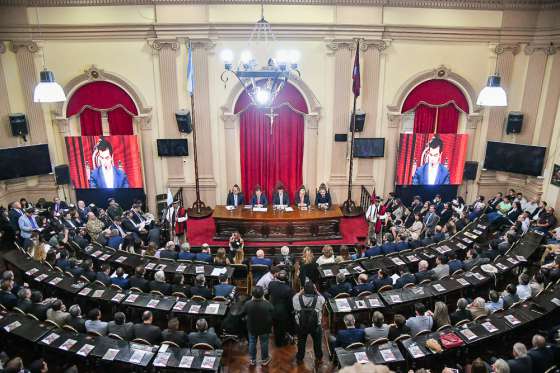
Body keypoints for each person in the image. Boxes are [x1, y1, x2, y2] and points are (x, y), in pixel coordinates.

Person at [293, 281, 324, 365]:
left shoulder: (296, 299)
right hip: (316, 326)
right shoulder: (319, 299)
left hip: (301, 325)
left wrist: (301, 290)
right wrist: (316, 291)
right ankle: (319, 358)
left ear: (304, 290)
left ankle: (300, 358)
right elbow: (323, 299)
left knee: (301, 342)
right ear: (314, 290)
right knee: (317, 343)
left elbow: (297, 295)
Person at [242, 286, 273, 366]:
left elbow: (244, 313)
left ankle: (252, 359)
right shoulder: (267, 304)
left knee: (252, 342)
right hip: (264, 328)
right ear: (263, 294)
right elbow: (272, 311)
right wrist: (265, 300)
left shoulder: (247, 303)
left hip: (252, 327)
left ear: (252, 295)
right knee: (264, 343)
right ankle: (264, 359)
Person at [268, 270, 295, 347]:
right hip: (283, 312)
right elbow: (290, 303)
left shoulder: (271, 284)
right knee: (281, 328)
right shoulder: (289, 289)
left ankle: (278, 341)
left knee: (276, 326)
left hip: (272, 309)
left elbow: (269, 293)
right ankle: (280, 343)